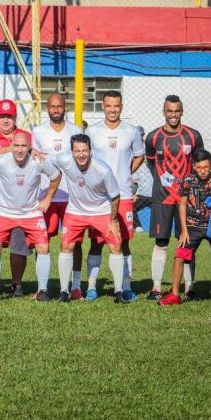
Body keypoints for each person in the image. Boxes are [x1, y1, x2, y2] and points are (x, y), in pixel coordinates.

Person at [159, 150, 211, 307]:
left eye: (206, 167)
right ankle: (175, 295)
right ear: (193, 166)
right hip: (192, 226)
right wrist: (184, 231)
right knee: (179, 256)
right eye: (199, 168)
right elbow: (182, 204)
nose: (203, 171)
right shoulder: (188, 181)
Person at [52, 134, 129, 303]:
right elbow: (46, 159)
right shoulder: (64, 160)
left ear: (90, 150)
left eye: (84, 150)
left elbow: (115, 196)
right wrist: (32, 150)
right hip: (75, 211)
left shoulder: (103, 170)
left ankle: (118, 292)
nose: (81, 154)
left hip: (101, 211)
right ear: (71, 152)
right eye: (77, 151)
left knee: (116, 246)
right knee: (66, 246)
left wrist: (114, 220)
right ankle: (64, 291)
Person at [0, 132, 62, 302]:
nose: (19, 150)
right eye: (16, 146)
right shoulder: (1, 160)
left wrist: (48, 198)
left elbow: (56, 176)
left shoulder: (38, 160)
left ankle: (42, 290)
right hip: (4, 211)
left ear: (30, 147)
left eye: (23, 146)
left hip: (31, 212)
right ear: (11, 146)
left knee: (43, 247)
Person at [86, 90, 145, 302]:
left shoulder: (131, 131)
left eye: (116, 106)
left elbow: (140, 155)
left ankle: (125, 287)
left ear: (121, 107)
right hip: (98, 197)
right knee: (96, 242)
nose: (112, 109)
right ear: (103, 106)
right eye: (109, 105)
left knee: (124, 241)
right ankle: (91, 287)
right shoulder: (92, 131)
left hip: (124, 194)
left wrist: (127, 171)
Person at [145, 95, 204, 300]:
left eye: (176, 111)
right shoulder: (153, 137)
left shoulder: (193, 136)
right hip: (162, 198)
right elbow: (151, 163)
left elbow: (199, 165)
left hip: (186, 200)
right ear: (163, 112)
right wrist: (164, 182)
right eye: (169, 111)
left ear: (182, 111)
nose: (173, 115)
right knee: (161, 242)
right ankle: (156, 288)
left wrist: (190, 191)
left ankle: (189, 288)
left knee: (185, 241)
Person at [31, 93, 85, 297]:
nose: (56, 110)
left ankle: (77, 285)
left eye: (59, 106)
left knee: (74, 242)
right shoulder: (37, 131)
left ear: (65, 108)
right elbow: (34, 160)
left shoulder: (76, 130)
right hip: (46, 195)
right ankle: (42, 287)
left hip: (72, 196)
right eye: (52, 107)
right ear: (47, 109)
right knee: (42, 242)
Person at [0, 99, 33, 298]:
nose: (5, 120)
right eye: (1, 116)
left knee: (18, 246)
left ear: (15, 117)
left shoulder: (26, 137)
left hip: (19, 203)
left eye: (9, 116)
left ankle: (16, 284)